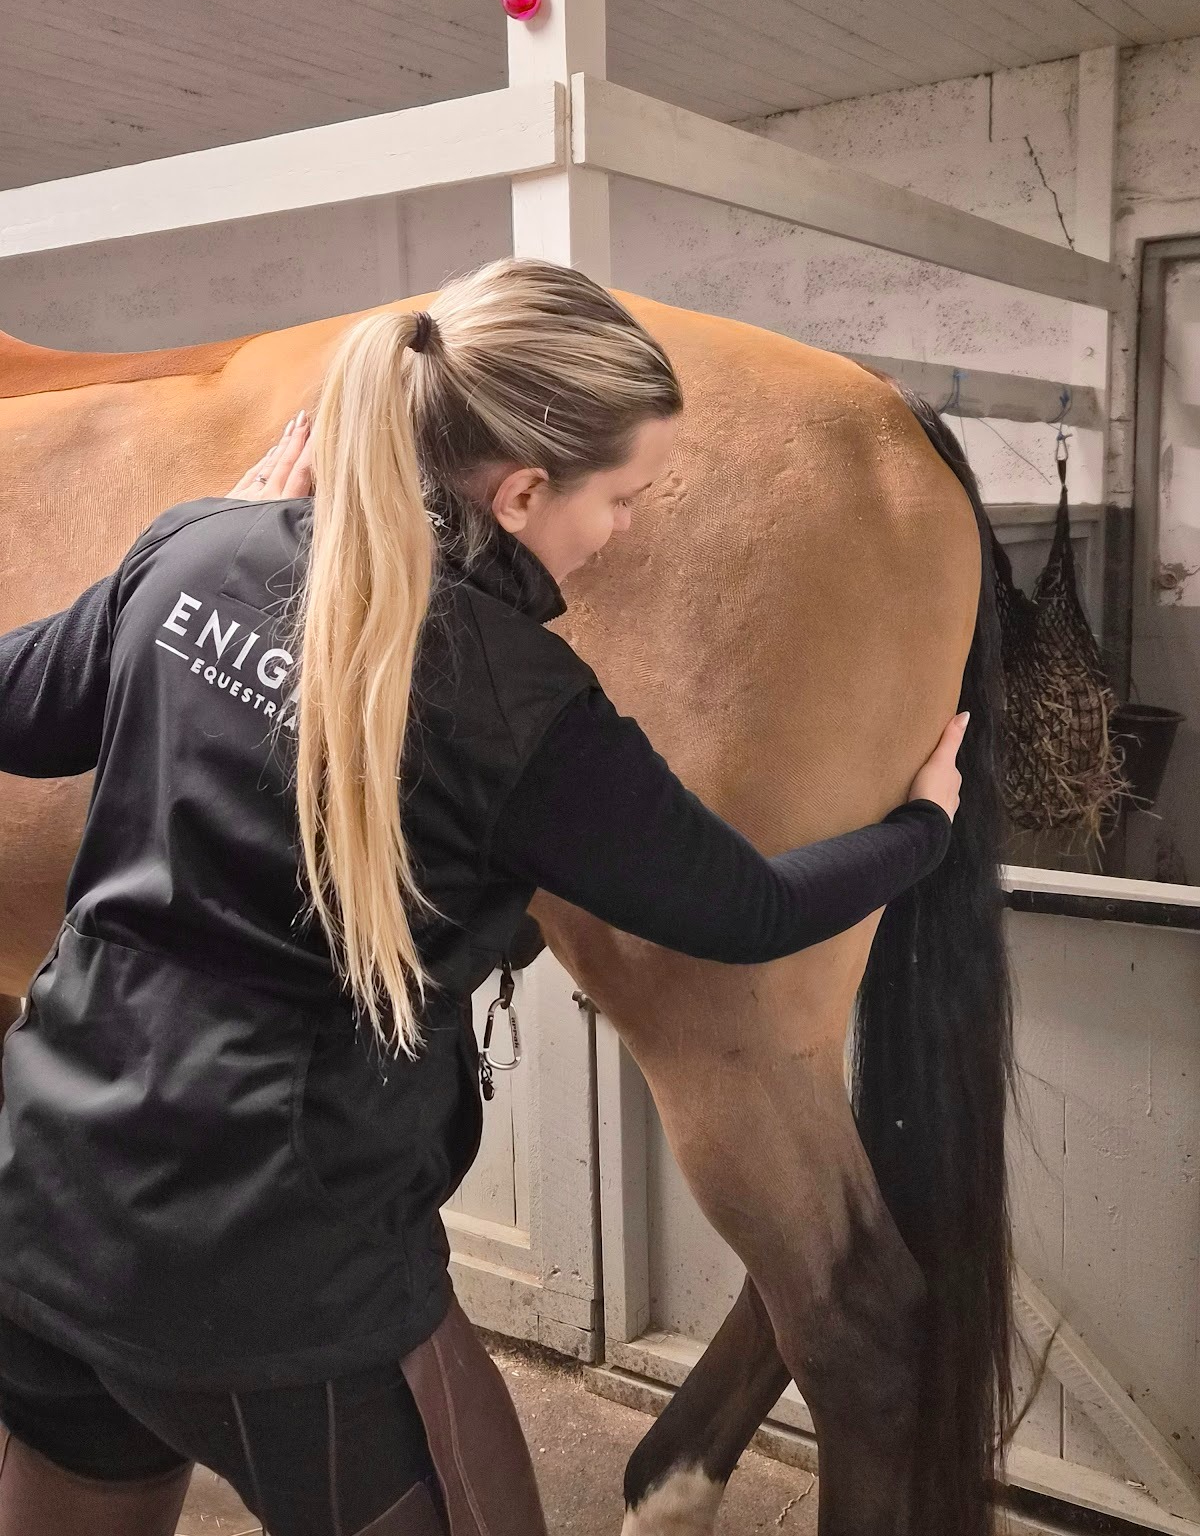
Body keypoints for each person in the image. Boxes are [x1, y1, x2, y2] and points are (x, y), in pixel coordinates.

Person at [0, 259, 967, 1536]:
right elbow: (748, 914)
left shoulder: (189, 551)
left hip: (46, 1220)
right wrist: (921, 830)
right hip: (288, 1274)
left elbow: (20, 706)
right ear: (521, 491)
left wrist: (186, 542)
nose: (624, 529)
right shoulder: (523, 710)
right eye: (622, 497)